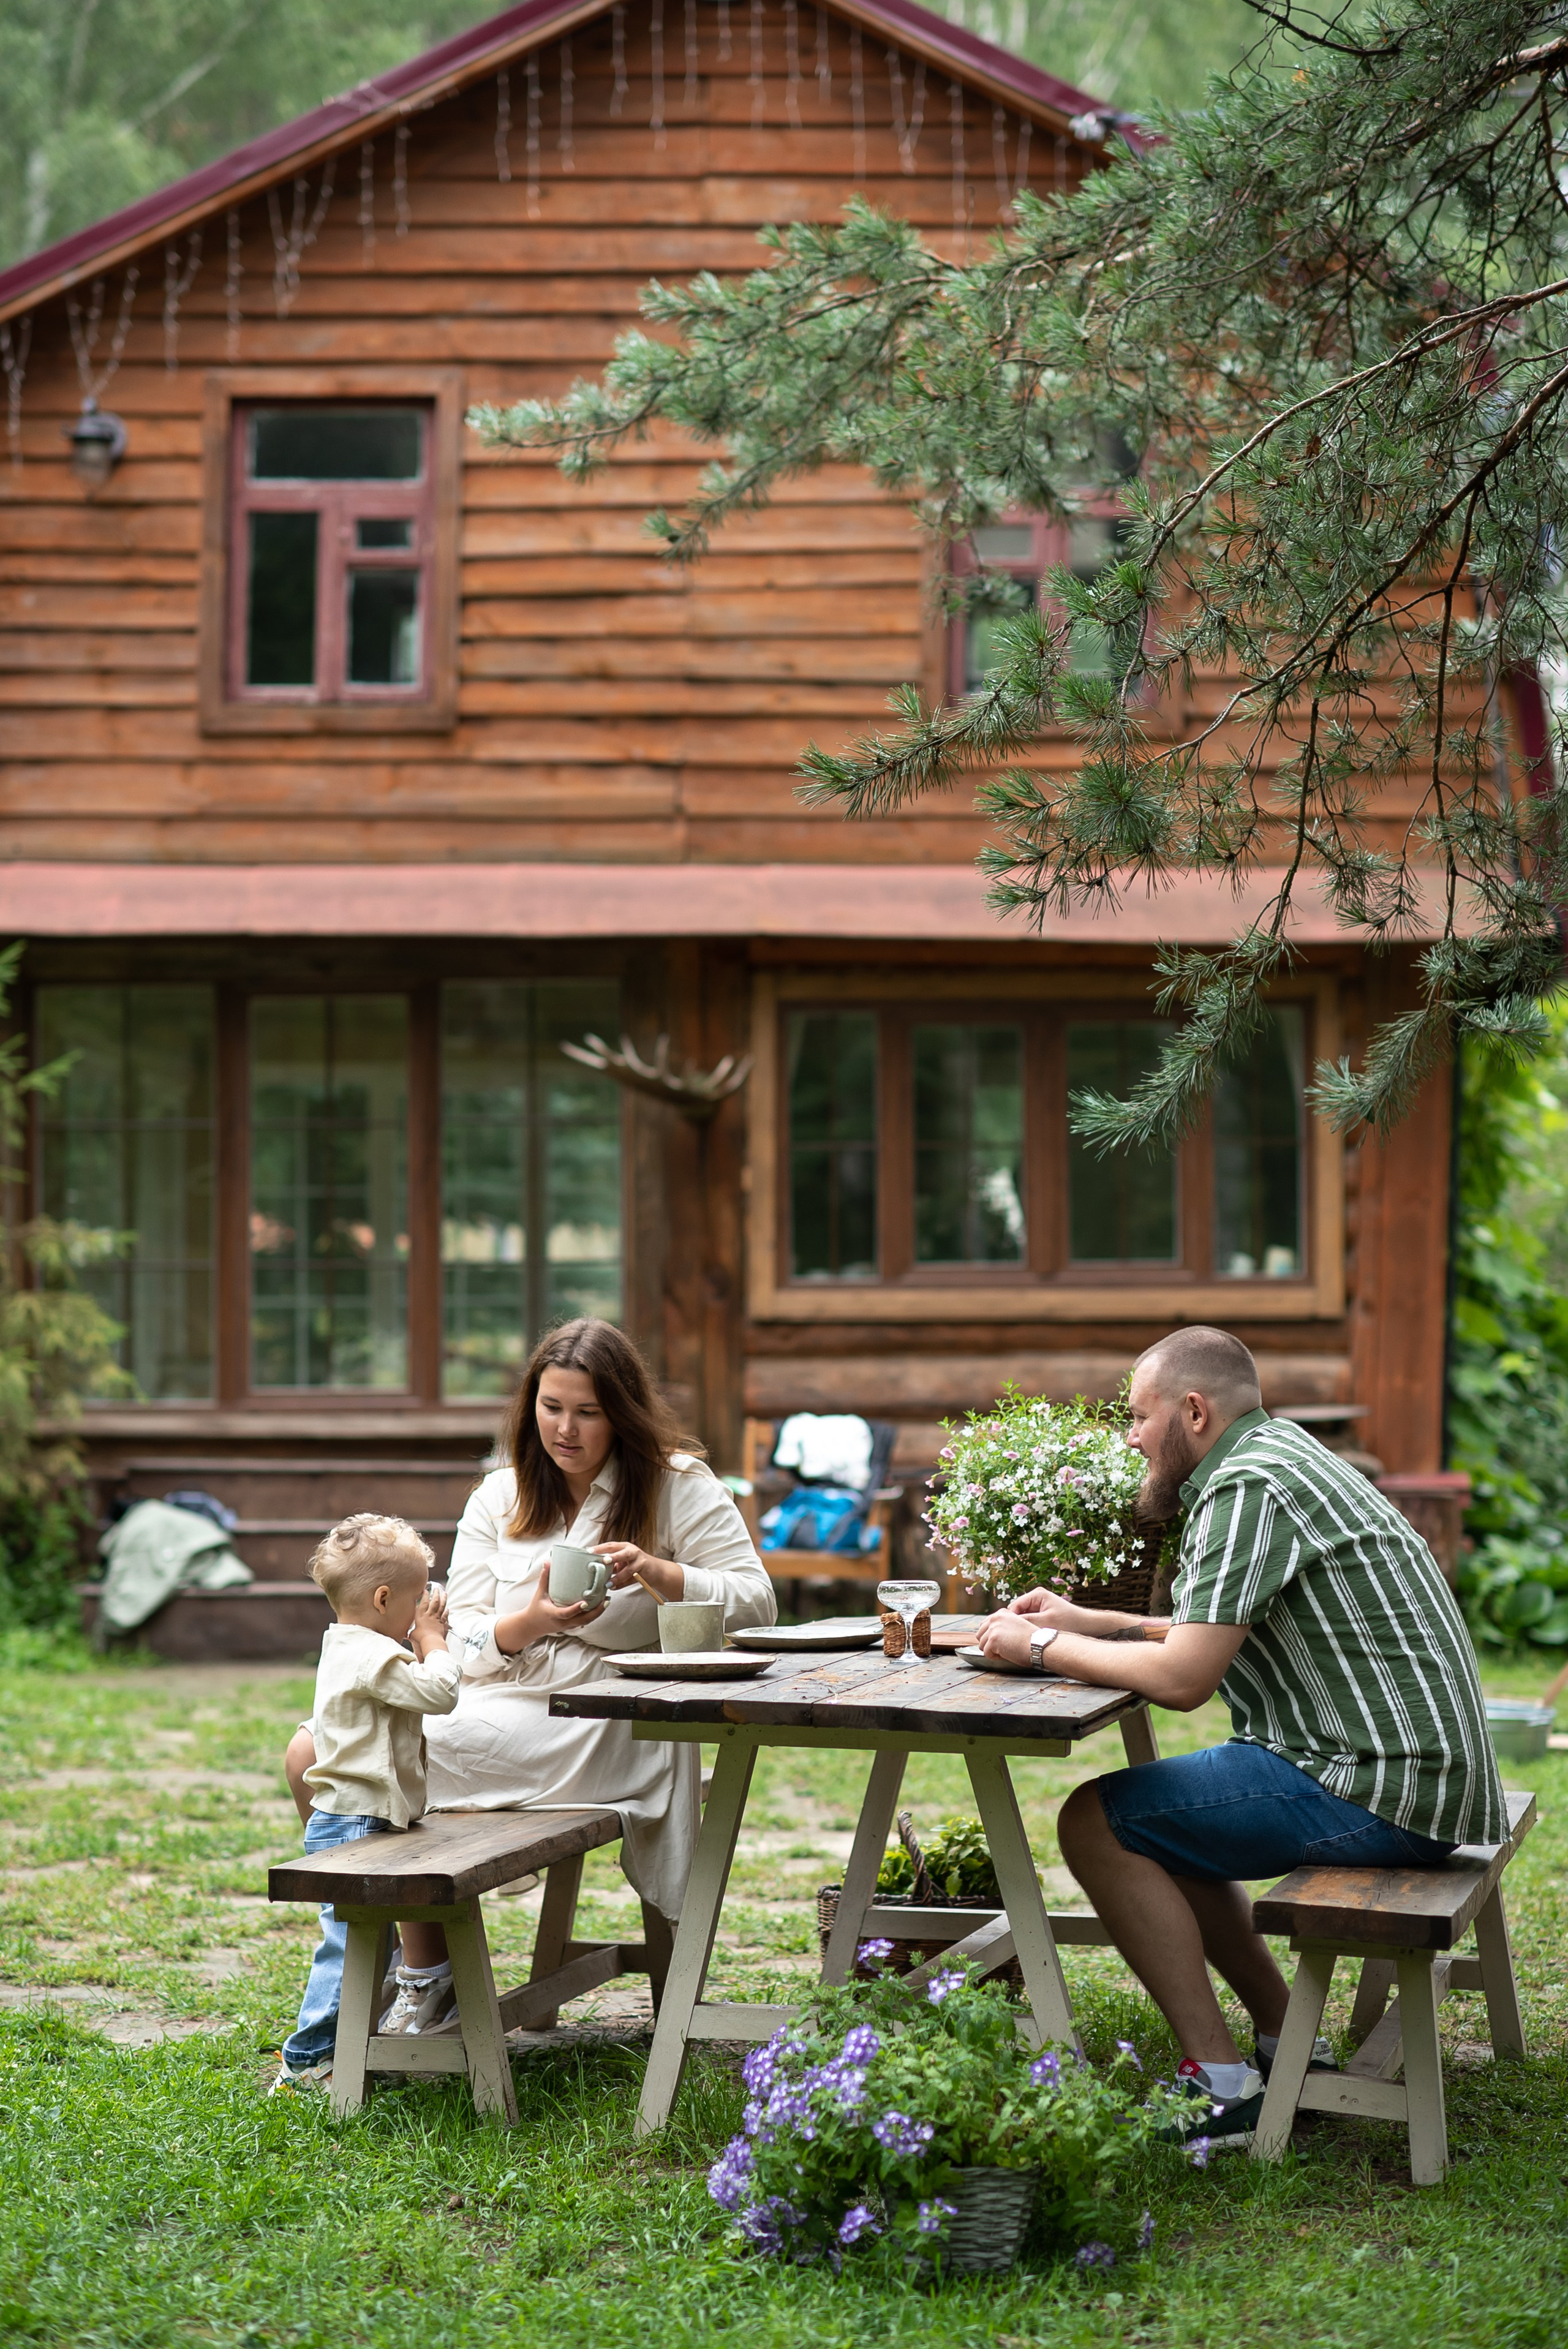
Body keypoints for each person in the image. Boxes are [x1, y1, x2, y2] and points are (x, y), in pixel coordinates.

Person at [975, 1325, 1504, 2149]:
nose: (1131, 1435)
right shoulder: (1281, 1457)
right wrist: (1096, 1622)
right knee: (1162, 1821)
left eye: (1140, 1415)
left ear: (1193, 1410)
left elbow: (1187, 1679)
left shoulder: (1246, 1487)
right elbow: (1217, 1622)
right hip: (1417, 1773)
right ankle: (1283, 2031)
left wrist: (1037, 1645)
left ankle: (1220, 2087)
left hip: (1386, 1787)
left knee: (1098, 1819)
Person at [285, 1318, 777, 2031]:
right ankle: (425, 1960)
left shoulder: (676, 1485)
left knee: (350, 1758)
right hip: (499, 1692)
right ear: (530, 1406)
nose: (566, 1430)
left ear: (622, 1413)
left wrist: (658, 1570)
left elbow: (756, 1599)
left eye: (588, 1412)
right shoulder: (500, 1495)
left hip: (612, 1712)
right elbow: (462, 1628)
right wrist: (534, 1622)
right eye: (552, 1408)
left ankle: (424, 1976)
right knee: (310, 1755)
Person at [271, 1512, 459, 2094]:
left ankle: (349, 2042)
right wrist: (432, 1640)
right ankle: (308, 2060)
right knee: (350, 1944)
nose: (422, 1608)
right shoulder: (377, 1657)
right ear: (383, 1599)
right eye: (416, 1598)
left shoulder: (345, 1644)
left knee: (359, 1942)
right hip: (355, 1822)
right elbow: (441, 1692)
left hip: (351, 1815)